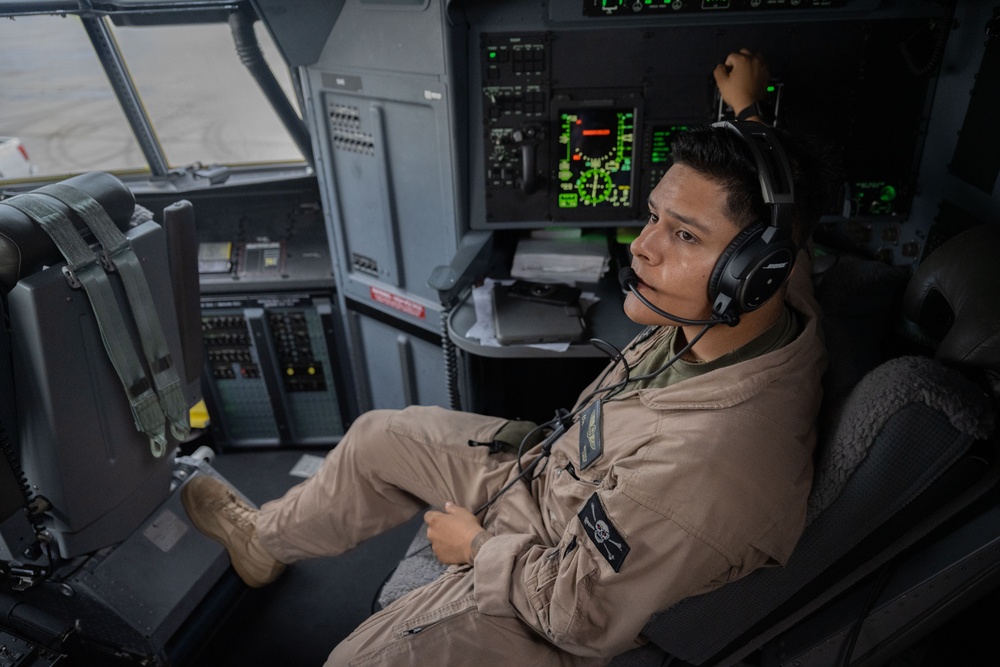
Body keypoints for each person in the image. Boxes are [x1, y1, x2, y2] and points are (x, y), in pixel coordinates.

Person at [182, 50, 831, 666]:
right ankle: (261, 543)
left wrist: (477, 548)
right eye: (656, 216)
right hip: (560, 474)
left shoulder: (699, 472)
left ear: (752, 272)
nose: (641, 247)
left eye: (684, 235)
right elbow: (783, 214)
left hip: (553, 593)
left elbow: (581, 613)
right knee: (381, 437)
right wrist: (746, 114)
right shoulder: (775, 295)